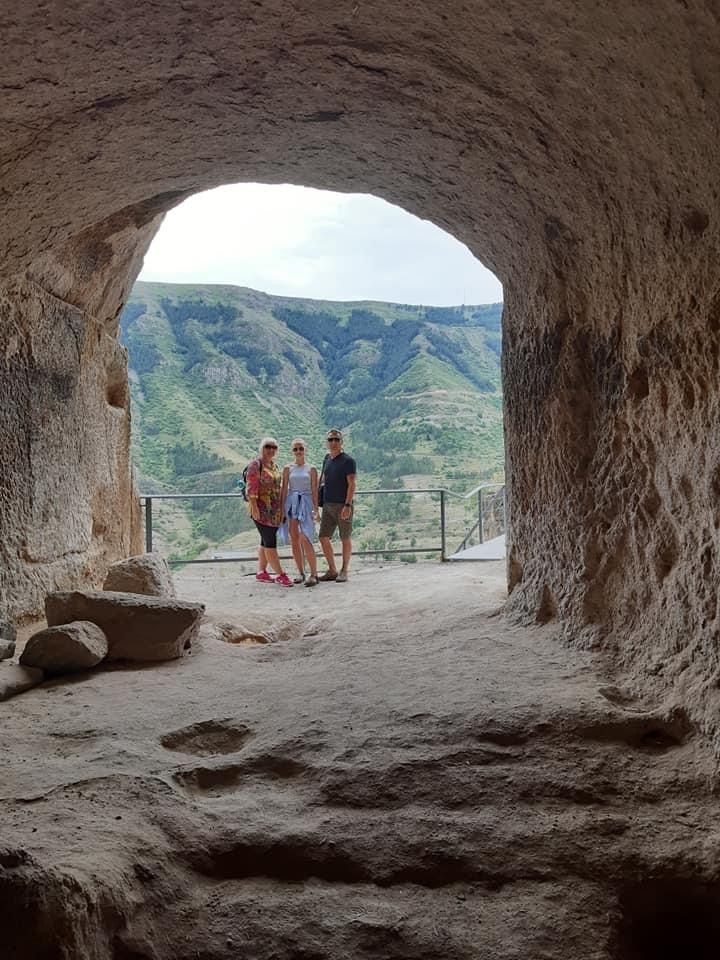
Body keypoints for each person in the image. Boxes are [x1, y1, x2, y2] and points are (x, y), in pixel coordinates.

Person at [246, 436, 293, 587]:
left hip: (274, 511)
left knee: (265, 540)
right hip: (261, 510)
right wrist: (254, 507)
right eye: (268, 446)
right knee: (270, 542)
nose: (271, 450)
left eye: (274, 447)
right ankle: (280, 574)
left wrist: (281, 508)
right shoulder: (255, 465)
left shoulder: (273, 465)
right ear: (262, 448)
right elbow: (251, 488)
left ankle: (261, 572)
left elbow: (277, 487)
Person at [279, 438, 320, 587]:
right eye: (295, 449)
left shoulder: (312, 469)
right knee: (294, 538)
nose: (298, 451)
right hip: (292, 503)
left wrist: (316, 510)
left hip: (306, 503)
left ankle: (314, 574)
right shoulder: (287, 468)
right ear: (292, 451)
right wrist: (282, 509)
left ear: (305, 450)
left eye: (301, 448)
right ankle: (301, 572)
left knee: (306, 537)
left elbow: (314, 490)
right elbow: (284, 489)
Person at [318, 428, 356, 583]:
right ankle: (332, 570)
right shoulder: (327, 458)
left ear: (342, 442)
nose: (333, 442)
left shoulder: (348, 461)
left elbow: (352, 484)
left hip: (342, 505)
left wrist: (347, 505)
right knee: (323, 537)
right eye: (330, 440)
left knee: (345, 537)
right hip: (327, 504)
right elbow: (322, 479)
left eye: (336, 439)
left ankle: (344, 570)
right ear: (327, 442)